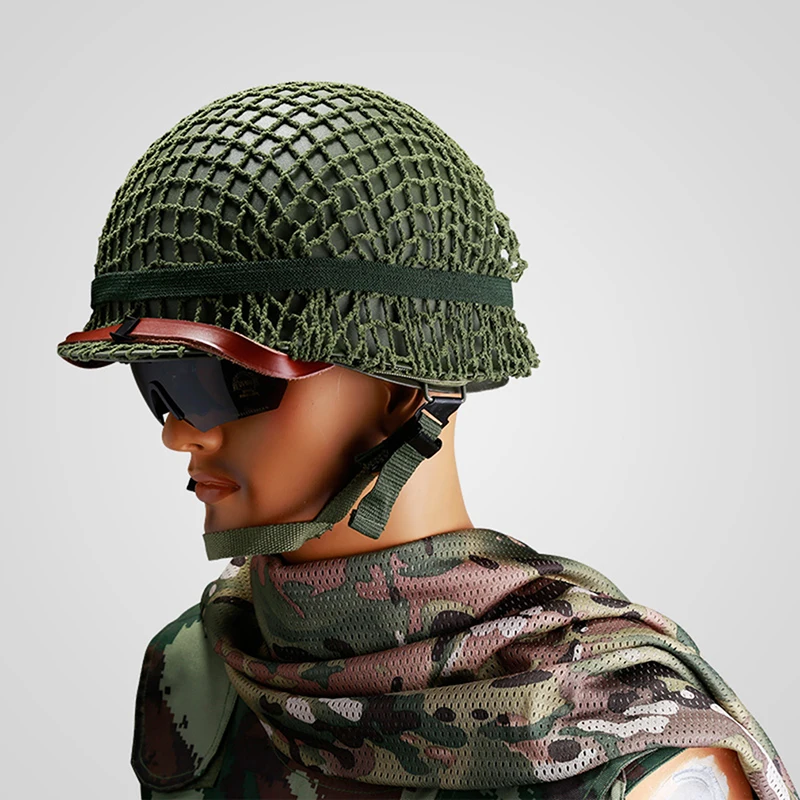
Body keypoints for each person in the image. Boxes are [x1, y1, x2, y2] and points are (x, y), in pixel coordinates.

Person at [56, 80, 796, 800]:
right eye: (155, 383)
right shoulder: (194, 670)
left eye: (217, 383)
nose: (179, 433)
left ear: (400, 393)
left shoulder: (628, 744)